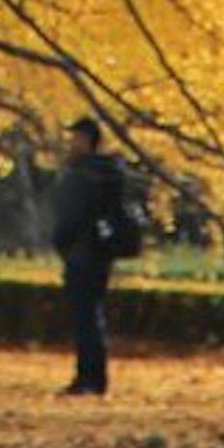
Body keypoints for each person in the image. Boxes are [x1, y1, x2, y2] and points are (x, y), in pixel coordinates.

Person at [48, 113, 143, 399]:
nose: (70, 143)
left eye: (75, 137)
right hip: (99, 252)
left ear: (87, 140)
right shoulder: (110, 173)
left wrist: (62, 242)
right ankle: (92, 376)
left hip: (83, 253)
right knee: (90, 316)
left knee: (85, 317)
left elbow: (72, 217)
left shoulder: (84, 175)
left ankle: (89, 378)